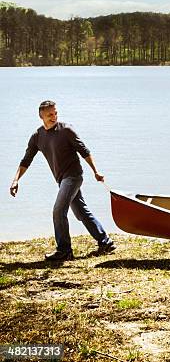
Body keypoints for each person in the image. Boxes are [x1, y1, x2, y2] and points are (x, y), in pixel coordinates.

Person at [9, 100, 116, 261]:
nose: (54, 117)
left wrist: (96, 171)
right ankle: (105, 242)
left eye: (55, 113)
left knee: (58, 211)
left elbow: (84, 150)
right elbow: (26, 160)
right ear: (41, 116)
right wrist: (15, 180)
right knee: (81, 212)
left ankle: (64, 250)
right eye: (50, 114)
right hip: (61, 179)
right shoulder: (37, 136)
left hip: (73, 176)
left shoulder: (66, 130)